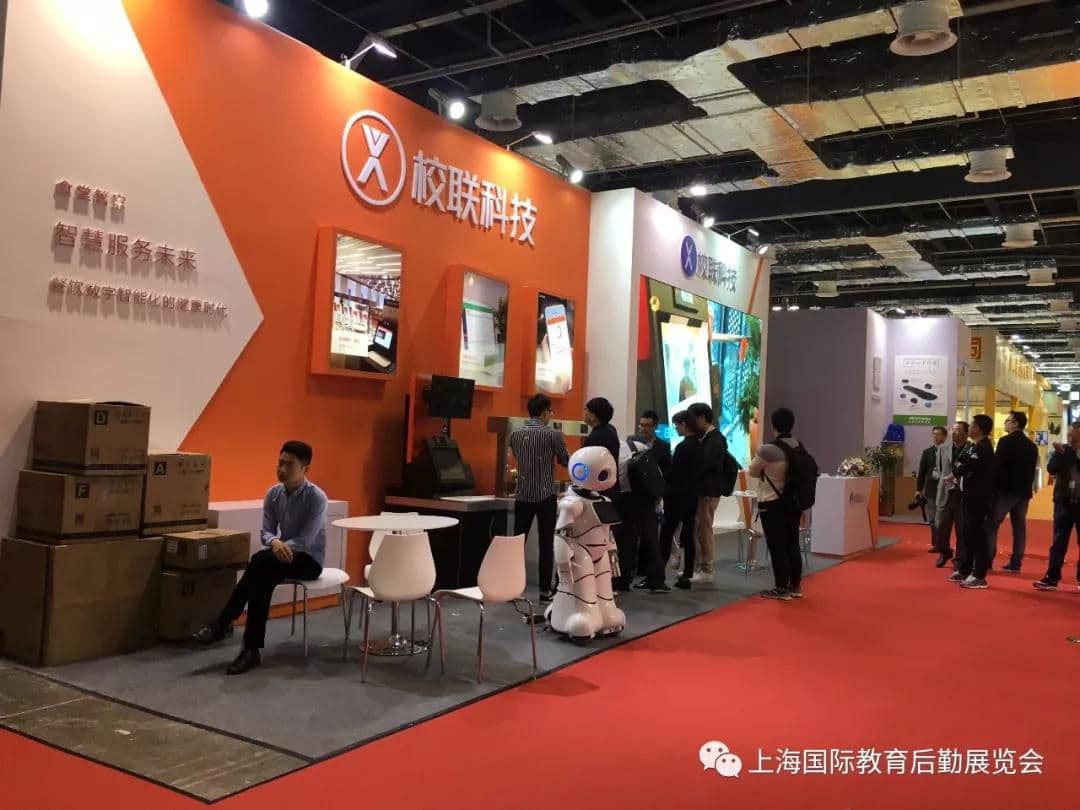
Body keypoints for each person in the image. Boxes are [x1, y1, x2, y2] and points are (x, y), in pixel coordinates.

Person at [195, 441, 327, 674]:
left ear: (305, 468)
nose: (282, 469)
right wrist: (275, 542)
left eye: (289, 465)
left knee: (260, 561)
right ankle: (250, 649)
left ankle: (223, 624)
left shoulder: (317, 498)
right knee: (262, 577)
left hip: (309, 560)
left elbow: (306, 540)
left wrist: (278, 546)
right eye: (280, 463)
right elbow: (266, 532)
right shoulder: (273, 494)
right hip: (279, 558)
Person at [509, 393, 570, 602]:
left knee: (517, 543)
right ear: (544, 412)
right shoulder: (553, 434)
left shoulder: (515, 434)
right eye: (550, 411)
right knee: (546, 544)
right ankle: (544, 591)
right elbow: (564, 460)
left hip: (522, 495)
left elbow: (518, 458)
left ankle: (512, 587)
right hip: (545, 495)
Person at [749, 408, 804, 600]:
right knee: (792, 543)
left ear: (773, 425)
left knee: (776, 546)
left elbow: (753, 471)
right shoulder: (798, 445)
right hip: (793, 502)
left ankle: (781, 588)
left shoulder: (769, 449)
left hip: (772, 503)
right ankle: (795, 586)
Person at [987, 411, 1038, 572]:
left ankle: (987, 561)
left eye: (1008, 420)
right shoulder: (1031, 446)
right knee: (1019, 527)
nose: (1005, 423)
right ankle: (1016, 563)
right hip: (1023, 492)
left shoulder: (1005, 442)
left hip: (1005, 491)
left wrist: (992, 488)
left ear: (1016, 423)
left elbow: (997, 467)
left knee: (992, 525)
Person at [1034, 422, 1080, 592]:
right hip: (1063, 502)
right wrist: (1063, 455)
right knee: (1058, 541)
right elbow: (1051, 469)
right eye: (1069, 433)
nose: (1069, 436)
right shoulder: (1063, 450)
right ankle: (1052, 577)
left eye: (1073, 433)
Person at [658, 411, 702, 589]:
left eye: (677, 424)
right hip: (692, 496)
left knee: (666, 534)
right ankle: (687, 574)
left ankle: (658, 574)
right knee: (688, 536)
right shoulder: (700, 445)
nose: (676, 428)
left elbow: (673, 472)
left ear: (684, 424)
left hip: (676, 496)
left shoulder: (683, 447)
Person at [952, 414, 995, 590]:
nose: (969, 428)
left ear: (977, 428)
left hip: (979, 498)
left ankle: (979, 575)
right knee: (967, 534)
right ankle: (966, 569)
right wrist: (960, 468)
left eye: (971, 425)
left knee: (977, 535)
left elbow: (965, 466)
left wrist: (959, 469)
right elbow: (960, 464)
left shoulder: (984, 448)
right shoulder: (973, 447)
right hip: (969, 496)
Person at [688, 402, 729, 580]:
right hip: (705, 490)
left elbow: (707, 465)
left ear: (702, 418)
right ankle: (700, 567)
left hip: (708, 491)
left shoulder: (714, 440)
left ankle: (706, 568)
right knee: (699, 529)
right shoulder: (709, 438)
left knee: (704, 529)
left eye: (692, 419)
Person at [934, 421, 970, 569]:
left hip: (963, 494)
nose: (954, 432)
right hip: (945, 492)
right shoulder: (942, 448)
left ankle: (960, 559)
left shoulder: (971, 449)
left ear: (966, 433)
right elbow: (940, 469)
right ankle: (945, 552)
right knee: (940, 526)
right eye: (953, 430)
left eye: (958, 430)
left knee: (962, 530)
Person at [916, 426, 948, 555]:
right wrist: (918, 489)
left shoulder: (949, 451)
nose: (935, 436)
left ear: (944, 437)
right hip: (931, 489)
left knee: (943, 520)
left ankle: (943, 543)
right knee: (932, 519)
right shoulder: (927, 452)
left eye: (938, 434)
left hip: (945, 489)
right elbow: (922, 472)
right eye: (934, 434)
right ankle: (936, 544)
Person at [583, 397, 620, 465]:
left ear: (593, 416)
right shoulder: (611, 429)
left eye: (586, 410)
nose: (584, 412)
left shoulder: (593, 439)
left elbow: (587, 463)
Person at [635, 409, 671, 475]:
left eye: (647, 425)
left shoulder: (665, 447)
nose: (643, 429)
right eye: (641, 425)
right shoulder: (633, 442)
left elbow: (667, 471)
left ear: (655, 426)